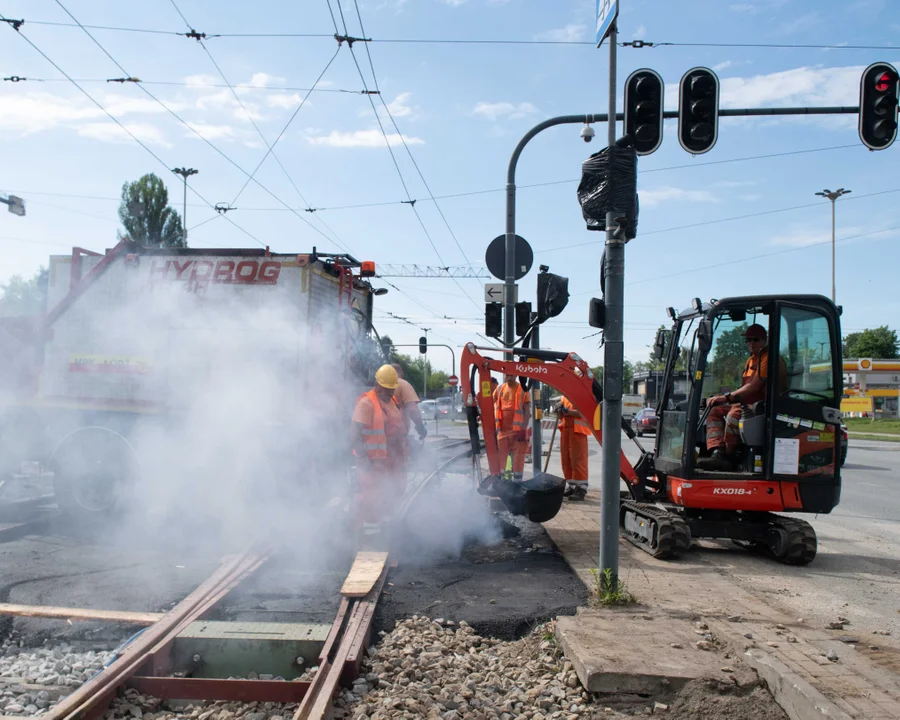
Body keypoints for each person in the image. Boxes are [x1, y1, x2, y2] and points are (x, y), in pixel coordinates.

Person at [700, 323, 787, 470]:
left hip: (764, 405)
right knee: (714, 410)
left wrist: (727, 398)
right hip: (748, 402)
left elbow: (754, 386)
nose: (751, 343)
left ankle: (729, 457)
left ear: (764, 340)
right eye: (748, 340)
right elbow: (743, 387)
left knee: (733, 416)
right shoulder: (751, 360)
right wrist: (720, 398)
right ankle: (717, 451)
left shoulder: (769, 358)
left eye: (755, 339)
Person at [351, 364, 407, 545]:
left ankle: (385, 531)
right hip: (372, 461)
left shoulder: (391, 401)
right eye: (386, 389)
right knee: (372, 498)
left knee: (390, 494)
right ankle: (369, 537)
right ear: (377, 385)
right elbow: (354, 434)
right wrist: (362, 458)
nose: (389, 393)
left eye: (392, 390)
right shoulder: (366, 403)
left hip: (389, 460)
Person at [494, 373, 530, 480]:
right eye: (507, 375)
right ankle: (500, 482)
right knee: (500, 459)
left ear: (516, 376)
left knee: (518, 459)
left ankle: (517, 483)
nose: (509, 377)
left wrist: (523, 429)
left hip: (517, 433)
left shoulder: (523, 390)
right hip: (503, 432)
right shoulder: (500, 388)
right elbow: (490, 402)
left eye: (511, 375)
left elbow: (527, 412)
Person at [556, 396, 591, 501]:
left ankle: (581, 489)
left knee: (578, 461)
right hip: (566, 431)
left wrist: (567, 411)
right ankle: (571, 486)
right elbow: (560, 416)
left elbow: (582, 413)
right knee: (566, 460)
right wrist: (558, 410)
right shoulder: (564, 398)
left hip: (578, 432)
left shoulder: (580, 395)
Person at [391, 363, 428, 442]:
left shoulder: (380, 386)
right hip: (397, 433)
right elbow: (412, 409)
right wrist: (420, 426)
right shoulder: (403, 384)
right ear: (401, 372)